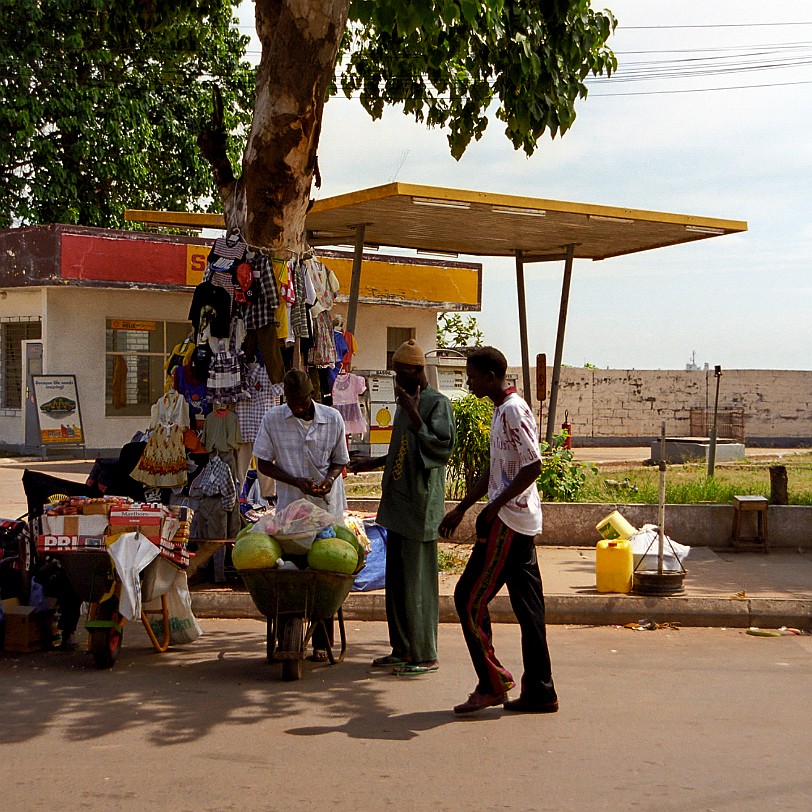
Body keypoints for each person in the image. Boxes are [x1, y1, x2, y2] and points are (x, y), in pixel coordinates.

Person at [439, 346, 558, 714]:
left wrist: (492, 510)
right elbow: (496, 469)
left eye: (473, 377)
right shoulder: (499, 411)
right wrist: (461, 508)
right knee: (529, 609)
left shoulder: (512, 411)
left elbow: (532, 466)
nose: (469, 382)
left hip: (509, 522)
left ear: (491, 377)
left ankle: (492, 683)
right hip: (516, 518)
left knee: (468, 599)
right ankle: (540, 691)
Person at [349, 339, 455, 675]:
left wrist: (412, 414)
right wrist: (371, 463)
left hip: (420, 507)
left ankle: (425, 654)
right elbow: (403, 450)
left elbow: (441, 448)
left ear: (416, 371)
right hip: (396, 503)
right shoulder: (403, 402)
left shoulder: (437, 404)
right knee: (396, 583)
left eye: (400, 372)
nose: (396, 379)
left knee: (418, 583)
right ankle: (402, 648)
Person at [253, 368, 350, 660]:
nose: (297, 406)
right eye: (292, 400)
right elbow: (263, 463)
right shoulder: (273, 419)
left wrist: (329, 480)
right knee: (290, 572)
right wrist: (296, 482)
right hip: (291, 508)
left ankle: (322, 641)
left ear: (312, 396)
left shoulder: (332, 418)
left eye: (302, 400)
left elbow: (339, 461)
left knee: (323, 571)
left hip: (326, 507)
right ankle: (287, 638)